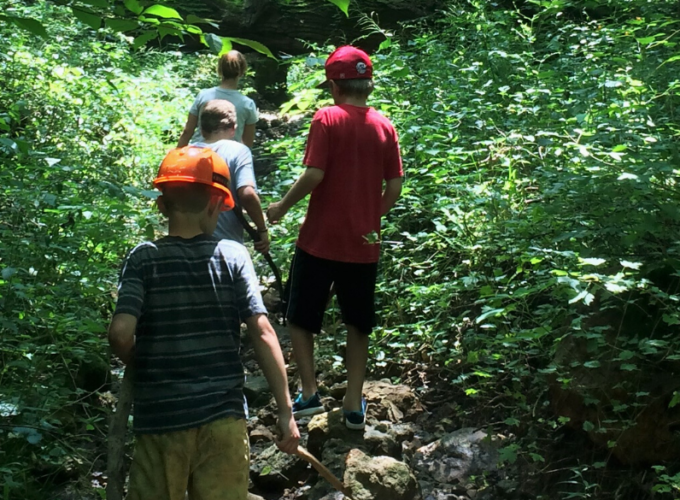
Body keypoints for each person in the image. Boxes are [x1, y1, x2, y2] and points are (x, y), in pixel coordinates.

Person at [108, 147, 299, 500]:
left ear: (162, 205)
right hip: (222, 419)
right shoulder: (233, 255)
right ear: (216, 204)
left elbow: (120, 333)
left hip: (162, 418)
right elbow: (261, 331)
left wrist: (142, 363)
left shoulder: (143, 258)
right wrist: (286, 412)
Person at [267, 46, 403, 431]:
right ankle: (352, 403)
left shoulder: (327, 117)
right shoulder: (384, 125)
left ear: (333, 85)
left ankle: (309, 393)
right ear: (368, 84)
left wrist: (280, 207)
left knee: (299, 315)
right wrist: (371, 216)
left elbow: (314, 174)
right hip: (363, 243)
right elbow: (395, 183)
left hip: (320, 239)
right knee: (358, 322)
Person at [193, 99, 269, 254]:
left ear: (201, 129)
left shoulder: (187, 153)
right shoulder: (239, 151)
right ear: (233, 128)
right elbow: (247, 194)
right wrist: (262, 229)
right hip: (225, 245)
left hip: (187, 243)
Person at [177, 50, 258, 148]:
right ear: (242, 72)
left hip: (199, 154)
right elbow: (247, 144)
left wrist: (177, 155)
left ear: (220, 70)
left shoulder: (203, 96)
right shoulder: (247, 104)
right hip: (228, 157)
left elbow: (187, 132)